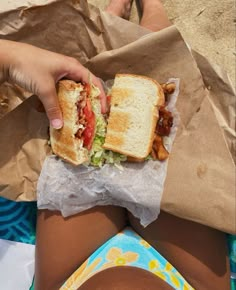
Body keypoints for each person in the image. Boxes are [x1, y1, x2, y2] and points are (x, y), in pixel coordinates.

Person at [0, 1, 230, 290]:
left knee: (102, 81)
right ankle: (151, 10)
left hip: (72, 273)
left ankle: (115, 17)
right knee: (158, 81)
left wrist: (8, 60)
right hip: (188, 278)